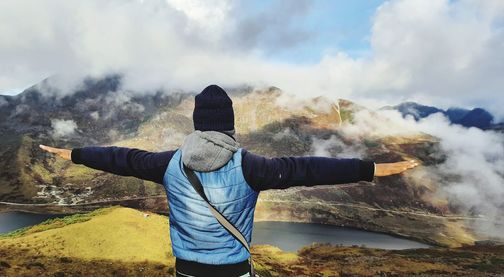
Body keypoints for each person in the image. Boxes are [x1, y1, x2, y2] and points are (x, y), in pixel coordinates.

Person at [39, 84, 418, 277]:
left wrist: (72, 153)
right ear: (229, 124)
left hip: (186, 268)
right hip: (233, 270)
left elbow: (119, 158)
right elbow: (309, 168)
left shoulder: (167, 164)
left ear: (198, 122)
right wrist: (368, 169)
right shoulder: (252, 167)